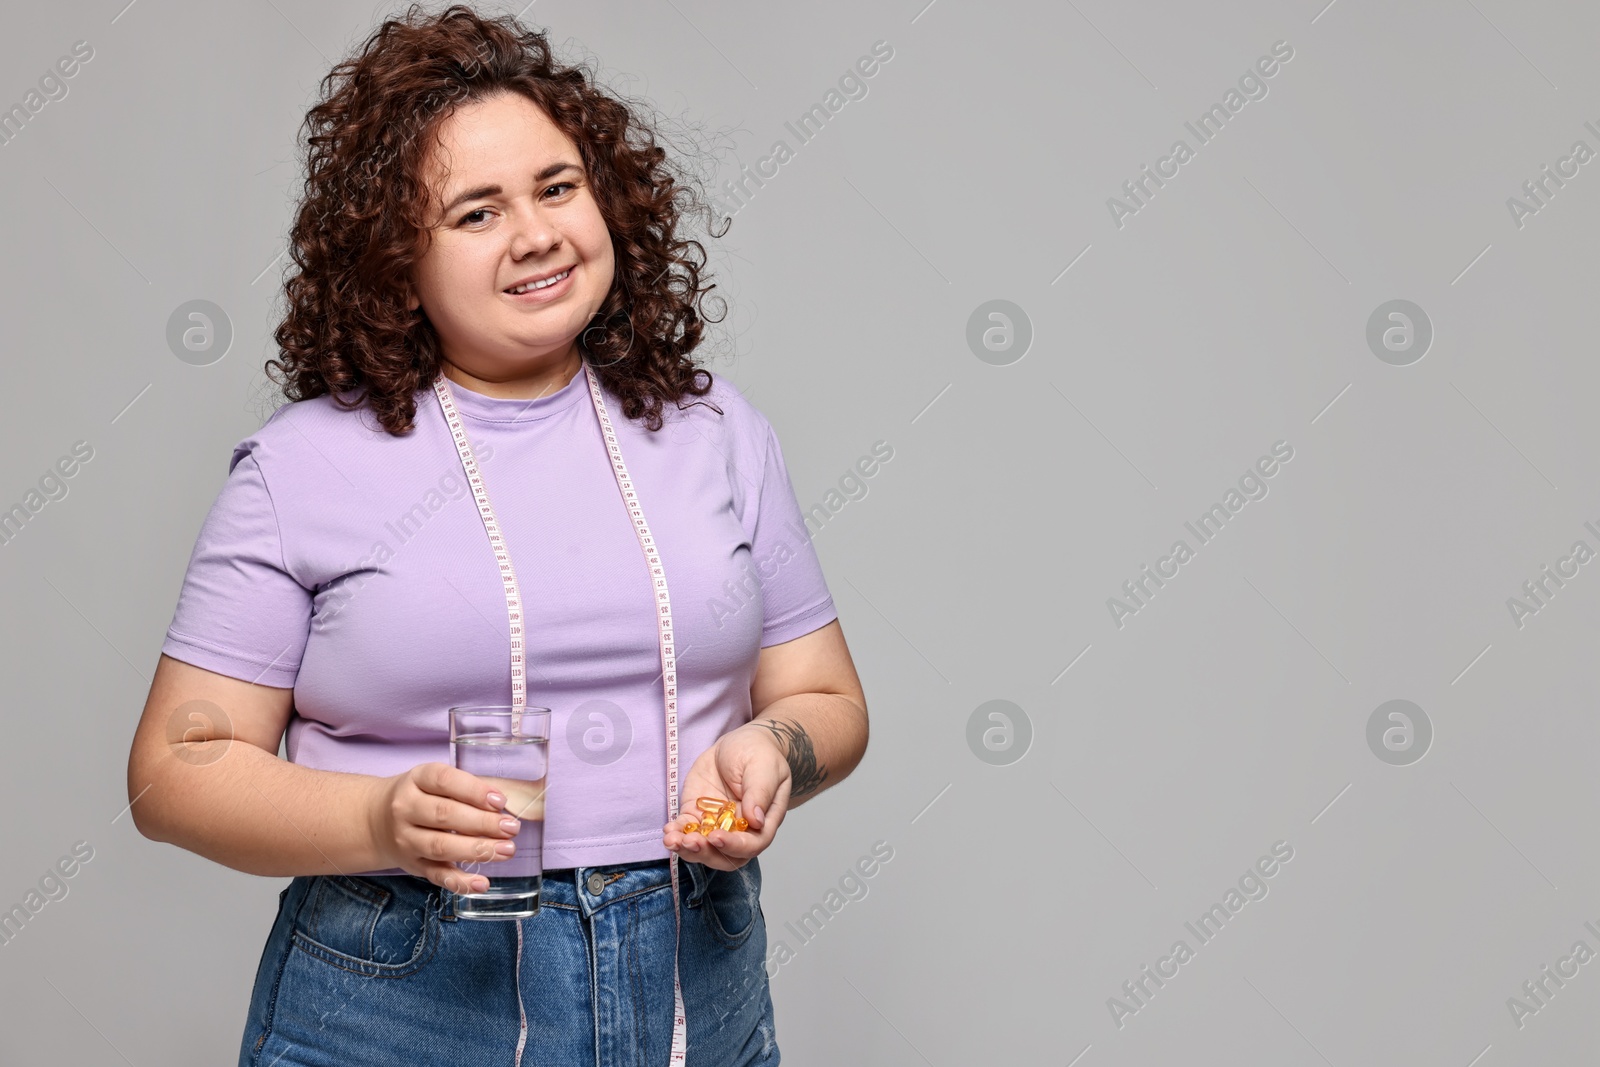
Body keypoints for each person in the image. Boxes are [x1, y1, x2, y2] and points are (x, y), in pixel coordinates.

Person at [123, 6, 869, 1065]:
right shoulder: (303, 466)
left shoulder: (714, 431)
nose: (535, 234)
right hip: (407, 988)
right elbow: (174, 766)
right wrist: (382, 818)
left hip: (694, 967)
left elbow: (827, 698)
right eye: (476, 212)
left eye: (557, 187)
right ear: (399, 258)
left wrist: (772, 745)